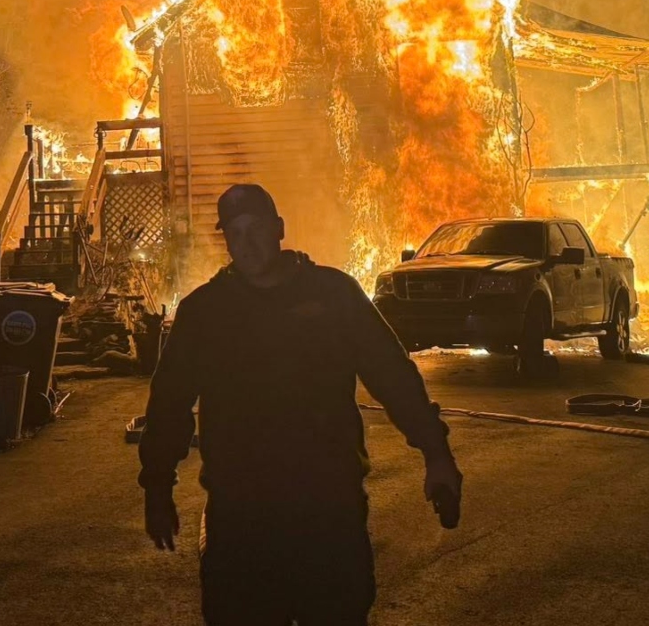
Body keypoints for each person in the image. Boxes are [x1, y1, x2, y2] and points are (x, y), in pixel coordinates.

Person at [139, 183, 463, 626]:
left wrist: (436, 453)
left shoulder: (335, 295)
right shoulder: (205, 313)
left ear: (279, 229)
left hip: (328, 511)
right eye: (235, 233)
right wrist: (157, 487)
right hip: (241, 518)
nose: (247, 243)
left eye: (256, 229)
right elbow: (169, 404)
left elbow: (394, 377)